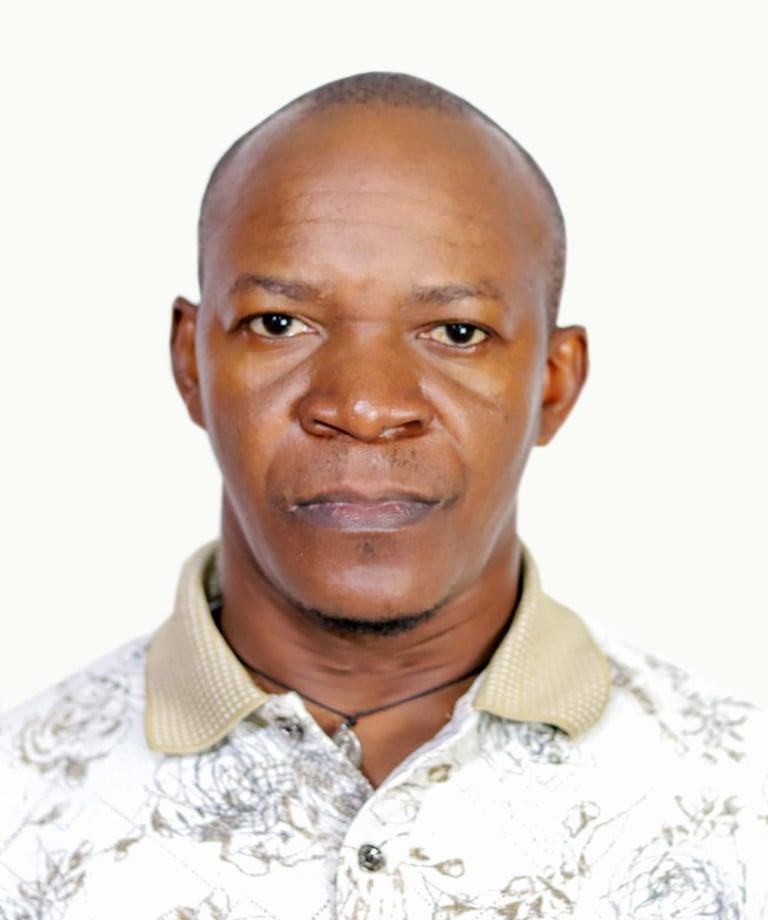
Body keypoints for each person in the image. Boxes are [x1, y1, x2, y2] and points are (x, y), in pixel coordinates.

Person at [0, 72, 765, 919]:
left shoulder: (746, 804)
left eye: (458, 332)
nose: (364, 407)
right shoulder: (16, 809)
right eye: (279, 323)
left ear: (553, 383)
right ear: (191, 363)